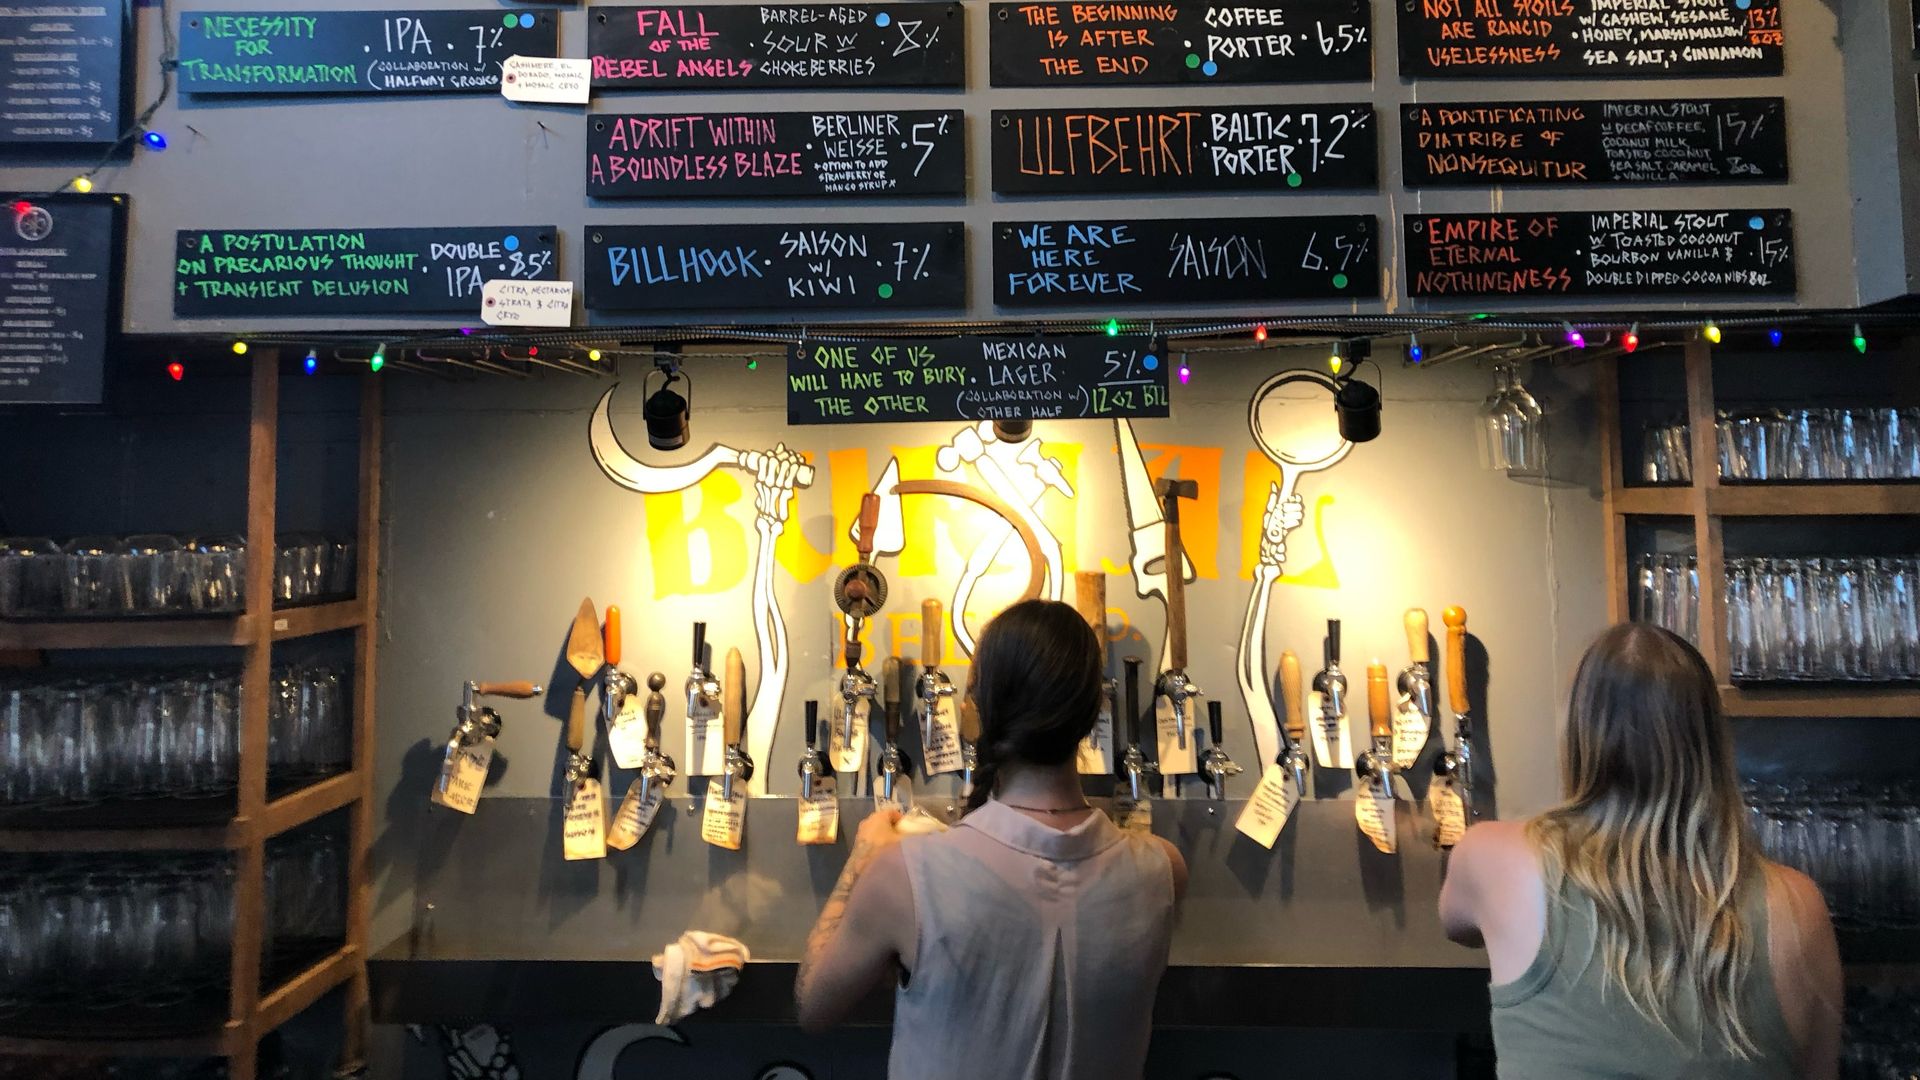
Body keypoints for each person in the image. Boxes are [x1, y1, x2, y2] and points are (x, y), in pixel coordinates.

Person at [795, 598, 1187, 1079]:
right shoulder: (1163, 870)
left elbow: (814, 1005)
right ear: (1094, 712)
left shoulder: (905, 873)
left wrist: (863, 858)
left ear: (977, 706)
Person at [1440, 624, 1842, 1079]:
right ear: (1711, 742)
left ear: (1579, 734)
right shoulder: (1799, 907)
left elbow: (1456, 924)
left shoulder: (1490, 857)